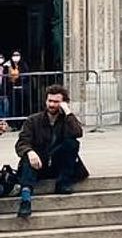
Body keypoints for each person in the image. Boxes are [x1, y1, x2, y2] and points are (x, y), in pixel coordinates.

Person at [13, 89, 86, 219]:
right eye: (50, 101)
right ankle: (25, 200)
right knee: (27, 159)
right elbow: (22, 142)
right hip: (38, 162)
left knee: (72, 143)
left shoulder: (66, 120)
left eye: (56, 101)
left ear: (63, 103)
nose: (52, 105)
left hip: (58, 163)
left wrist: (68, 112)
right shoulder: (33, 120)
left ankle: (63, 183)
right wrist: (29, 152)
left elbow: (77, 133)